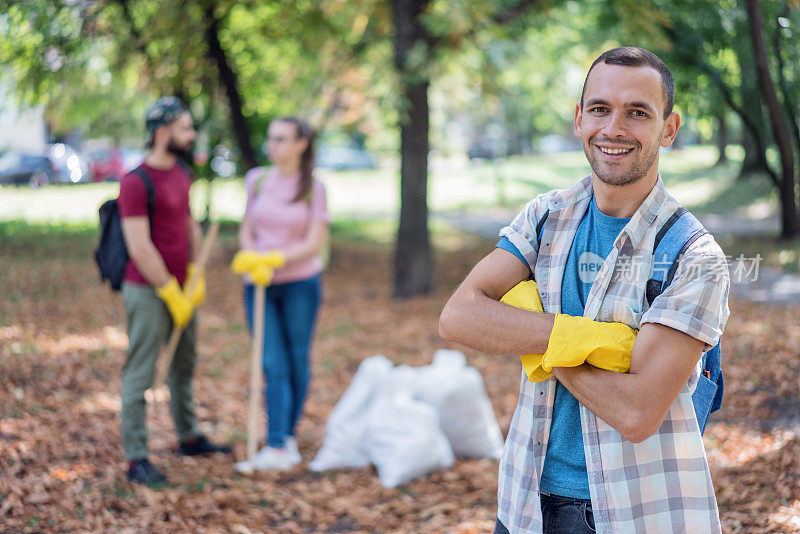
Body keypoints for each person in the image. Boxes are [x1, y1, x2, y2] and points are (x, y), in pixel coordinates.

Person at [439, 47, 730, 533]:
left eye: (638, 113)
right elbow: (458, 317)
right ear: (579, 120)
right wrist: (576, 337)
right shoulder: (545, 216)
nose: (614, 128)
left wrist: (538, 341)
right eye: (600, 109)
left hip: (629, 513)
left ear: (669, 128)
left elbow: (636, 412)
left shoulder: (694, 258)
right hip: (524, 499)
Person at [118, 97, 232, 487]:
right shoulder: (135, 181)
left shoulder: (182, 172)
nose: (192, 134)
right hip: (148, 290)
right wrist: (169, 290)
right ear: (162, 132)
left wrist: (195, 274)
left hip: (182, 286)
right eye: (185, 128)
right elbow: (139, 246)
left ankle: (189, 437)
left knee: (184, 364)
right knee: (141, 373)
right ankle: (136, 459)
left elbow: (188, 227)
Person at [231, 117, 330, 471]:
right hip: (258, 285)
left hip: (300, 283)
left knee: (296, 358)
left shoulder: (313, 188)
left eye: (282, 139)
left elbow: (314, 242)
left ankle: (286, 436)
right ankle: (274, 445)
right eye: (271, 139)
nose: (273, 146)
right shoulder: (256, 179)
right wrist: (250, 256)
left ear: (302, 144)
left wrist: (276, 259)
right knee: (272, 362)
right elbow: (248, 226)